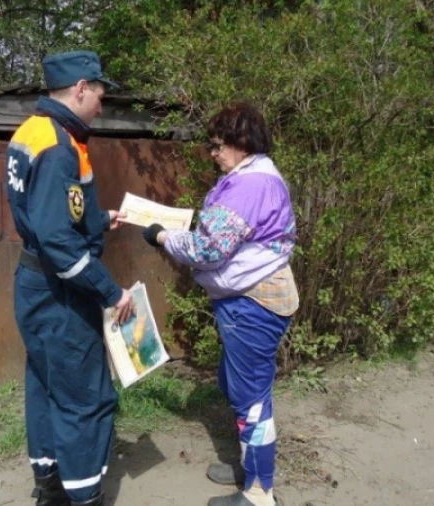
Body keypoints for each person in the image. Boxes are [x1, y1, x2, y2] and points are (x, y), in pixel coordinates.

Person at [141, 102, 299, 506]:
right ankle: (251, 465)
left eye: (216, 145)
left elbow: (209, 248)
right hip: (250, 297)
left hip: (254, 303)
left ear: (239, 142)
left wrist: (162, 236)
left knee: (252, 399)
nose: (212, 153)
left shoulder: (250, 184)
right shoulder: (252, 176)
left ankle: (260, 492)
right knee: (238, 386)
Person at [5, 50, 135, 506]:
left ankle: (50, 487)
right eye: (100, 94)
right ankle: (83, 496)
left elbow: (51, 215)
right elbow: (59, 241)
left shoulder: (33, 131)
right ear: (81, 88)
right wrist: (110, 290)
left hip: (34, 285)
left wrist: (97, 220)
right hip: (60, 293)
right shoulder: (60, 145)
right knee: (85, 397)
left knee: (46, 384)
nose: (102, 105)